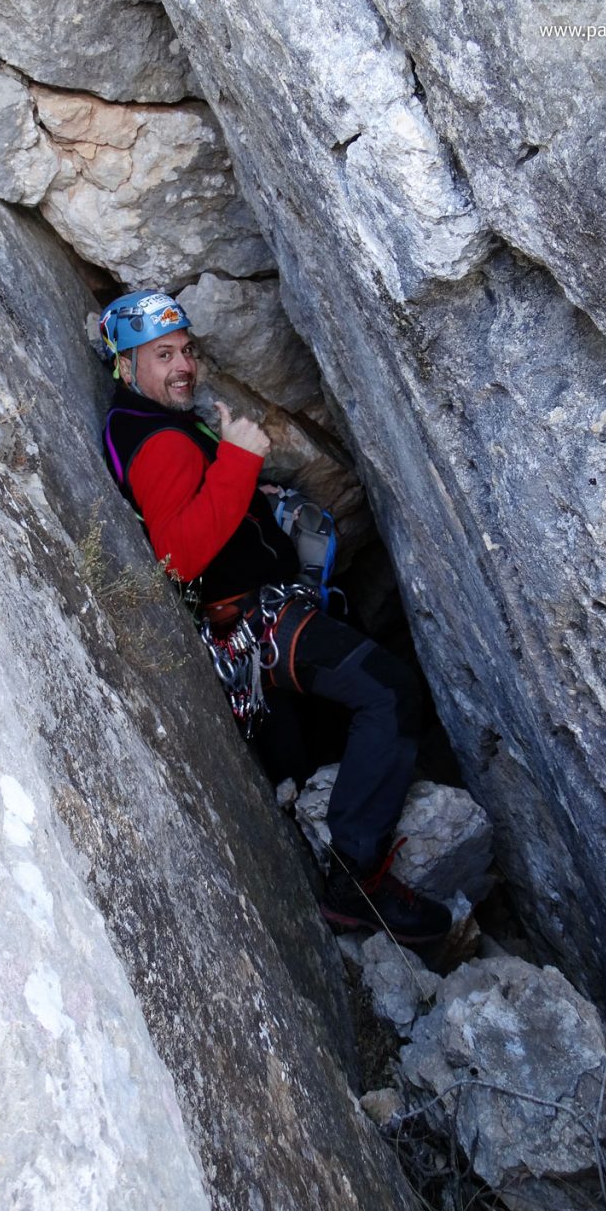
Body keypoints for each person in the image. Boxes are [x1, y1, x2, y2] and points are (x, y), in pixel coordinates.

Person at [101, 289, 452, 946]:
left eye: (185, 352)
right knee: (391, 690)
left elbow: (192, 504)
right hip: (255, 623)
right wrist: (237, 457)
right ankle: (358, 880)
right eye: (162, 355)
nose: (183, 367)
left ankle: (353, 827)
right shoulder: (152, 439)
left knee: (345, 723)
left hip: (264, 612)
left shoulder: (148, 422)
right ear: (125, 365)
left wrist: (251, 494)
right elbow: (179, 555)